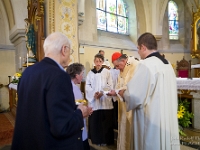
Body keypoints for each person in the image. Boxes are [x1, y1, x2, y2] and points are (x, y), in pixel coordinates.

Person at [11, 32, 92, 150]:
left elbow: (40, 109)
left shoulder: (28, 72)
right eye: (70, 51)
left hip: (29, 142)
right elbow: (62, 127)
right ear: (64, 49)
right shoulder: (59, 76)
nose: (70, 56)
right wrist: (80, 113)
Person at [119, 32, 180, 150]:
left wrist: (123, 94)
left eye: (138, 48)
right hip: (165, 120)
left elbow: (134, 96)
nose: (138, 52)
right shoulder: (167, 65)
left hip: (151, 121)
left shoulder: (146, 64)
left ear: (143, 47)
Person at [107, 52, 138, 150]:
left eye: (117, 65)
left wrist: (119, 91)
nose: (117, 68)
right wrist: (114, 92)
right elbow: (119, 85)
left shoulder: (135, 66)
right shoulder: (122, 68)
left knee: (131, 133)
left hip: (132, 107)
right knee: (124, 130)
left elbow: (134, 86)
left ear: (124, 61)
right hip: (123, 106)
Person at [86, 54, 114, 146]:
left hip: (104, 101)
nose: (98, 63)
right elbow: (87, 86)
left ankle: (106, 141)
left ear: (103, 62)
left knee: (105, 122)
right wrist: (93, 93)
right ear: (94, 62)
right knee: (96, 122)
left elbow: (110, 85)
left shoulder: (107, 72)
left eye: (100, 61)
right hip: (94, 101)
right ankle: (96, 140)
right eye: (96, 61)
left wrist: (103, 92)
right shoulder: (90, 73)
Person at [66, 63, 92, 150]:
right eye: (82, 74)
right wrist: (87, 111)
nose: (83, 76)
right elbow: (78, 108)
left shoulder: (67, 86)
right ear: (76, 76)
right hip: (77, 129)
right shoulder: (74, 89)